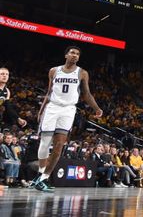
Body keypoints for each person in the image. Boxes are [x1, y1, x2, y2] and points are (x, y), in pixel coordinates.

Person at [30, 46, 103, 193]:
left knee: (59, 145)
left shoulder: (82, 73)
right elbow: (49, 92)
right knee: (45, 143)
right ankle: (40, 174)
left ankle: (43, 178)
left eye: (77, 54)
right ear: (66, 55)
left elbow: (86, 94)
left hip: (68, 109)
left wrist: (96, 108)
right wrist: (41, 110)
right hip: (52, 107)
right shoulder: (54, 71)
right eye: (72, 53)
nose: (75, 55)